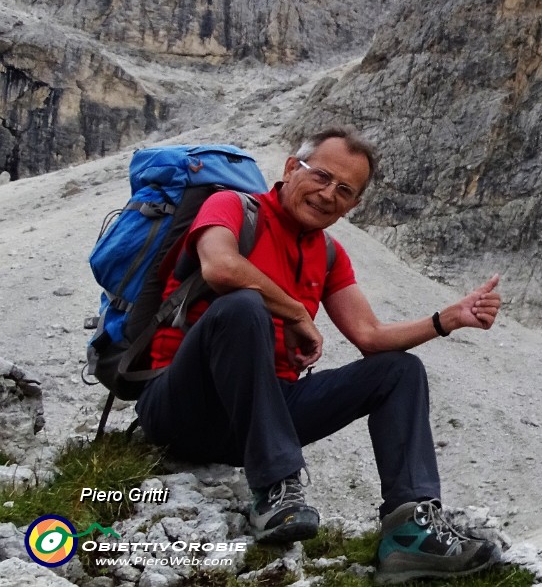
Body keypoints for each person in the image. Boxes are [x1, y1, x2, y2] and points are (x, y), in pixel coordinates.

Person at [134, 127, 504, 584]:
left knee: (398, 370)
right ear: (292, 168)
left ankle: (410, 534)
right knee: (242, 306)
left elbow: (369, 336)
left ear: (353, 206)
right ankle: (276, 490)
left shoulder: (328, 253)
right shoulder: (232, 206)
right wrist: (293, 311)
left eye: (345, 190)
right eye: (322, 176)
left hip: (256, 419)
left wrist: (444, 319)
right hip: (180, 407)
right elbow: (220, 266)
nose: (329, 194)